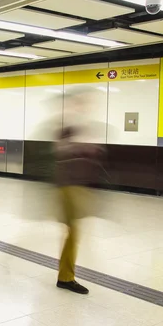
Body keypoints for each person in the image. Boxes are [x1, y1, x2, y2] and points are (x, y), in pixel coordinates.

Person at [54, 125, 105, 295]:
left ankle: (66, 276)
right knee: (73, 234)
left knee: (72, 234)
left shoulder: (64, 151)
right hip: (67, 193)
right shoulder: (66, 152)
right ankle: (65, 278)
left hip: (68, 192)